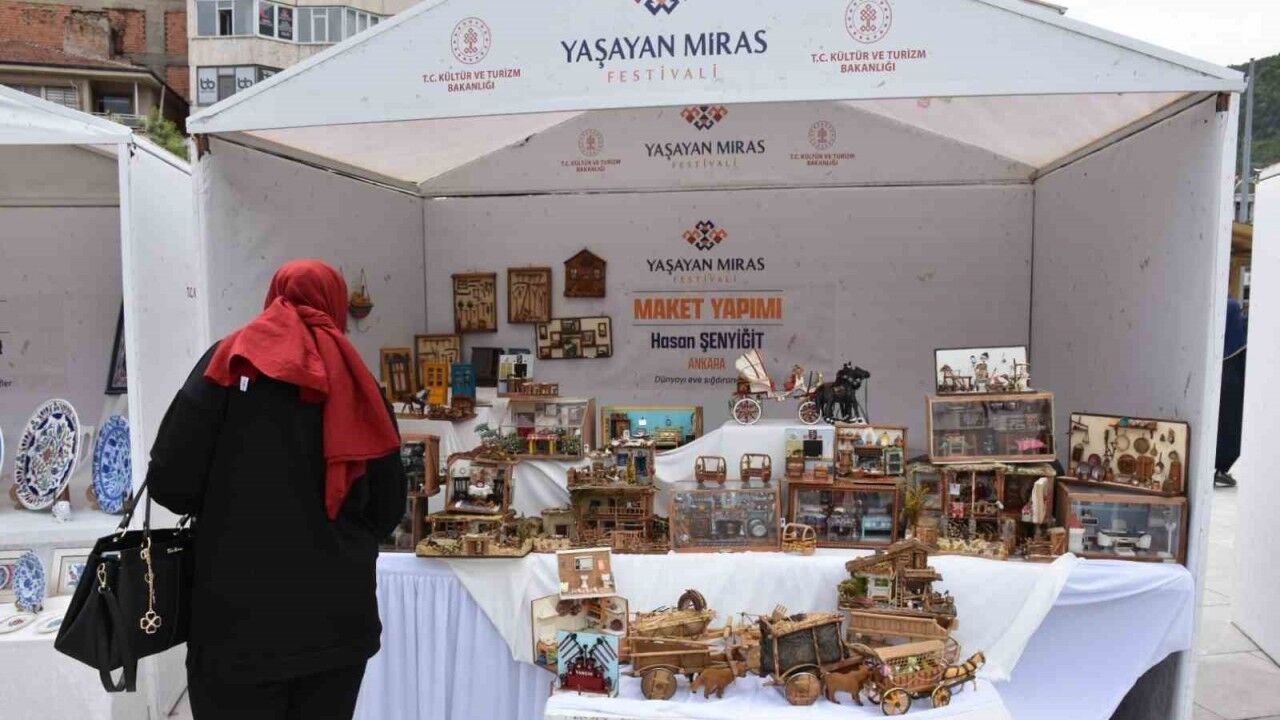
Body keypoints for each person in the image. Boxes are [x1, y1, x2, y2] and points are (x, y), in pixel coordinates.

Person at [147, 260, 406, 720]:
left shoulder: (226, 363)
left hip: (235, 625)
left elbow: (169, 482)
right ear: (336, 305)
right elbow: (387, 508)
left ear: (274, 297)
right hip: (336, 626)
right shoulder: (357, 378)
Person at [1215, 297, 1248, 487]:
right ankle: (1220, 469)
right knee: (1233, 429)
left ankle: (1217, 468)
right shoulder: (1239, 343)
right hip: (1234, 388)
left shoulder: (1217, 346)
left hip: (1223, 385)